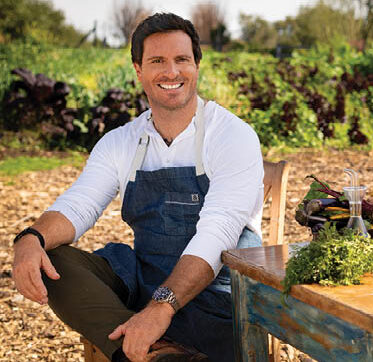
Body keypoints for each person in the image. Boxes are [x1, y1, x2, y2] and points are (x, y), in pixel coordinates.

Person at [11, 13, 264, 362]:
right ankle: (159, 353)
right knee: (51, 259)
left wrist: (163, 306)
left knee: (209, 289)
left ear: (197, 66)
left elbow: (218, 232)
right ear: (138, 70)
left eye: (181, 60)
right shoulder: (122, 141)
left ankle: (135, 350)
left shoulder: (232, 136)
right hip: (144, 287)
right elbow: (79, 204)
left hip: (218, 299)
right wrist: (30, 238)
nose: (171, 72)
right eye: (157, 61)